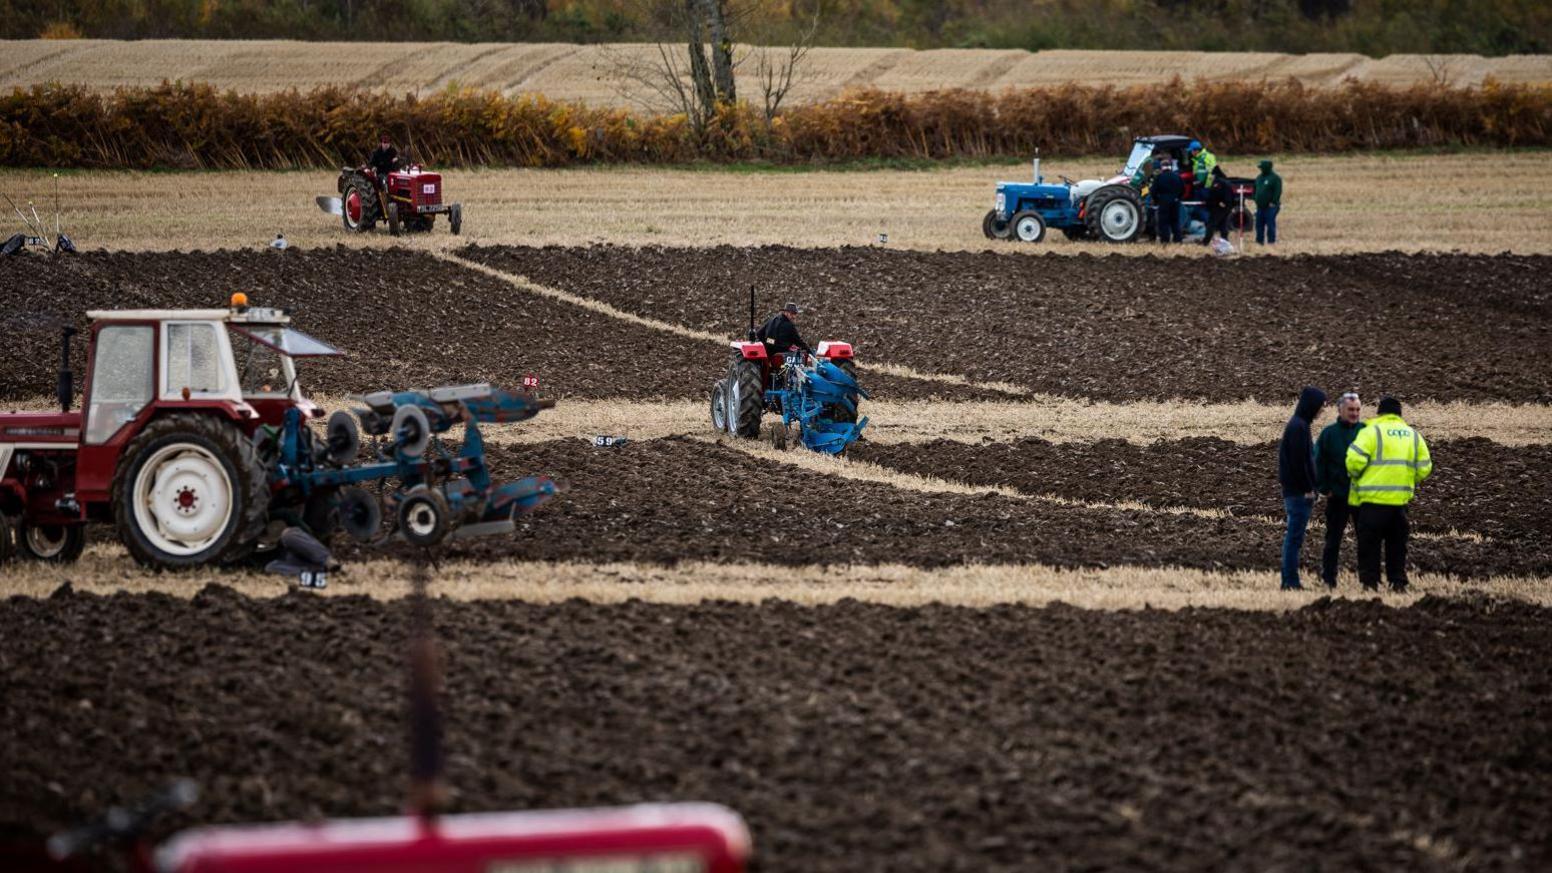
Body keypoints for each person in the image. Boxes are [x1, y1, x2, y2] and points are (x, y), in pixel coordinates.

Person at [1345, 396, 1432, 592]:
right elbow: (1425, 467)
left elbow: (1353, 461)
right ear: (1400, 415)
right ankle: (1397, 582)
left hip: (1372, 501)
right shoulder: (1413, 435)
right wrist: (1406, 478)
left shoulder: (1371, 431)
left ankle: (1370, 583)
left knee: (1369, 544)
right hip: (1399, 503)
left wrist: (1360, 476)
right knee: (1397, 545)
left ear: (1380, 413)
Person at [1278, 386, 1326, 590]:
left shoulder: (1299, 425)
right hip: (1298, 494)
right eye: (1320, 407)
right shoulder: (1298, 427)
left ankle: (1290, 581)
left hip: (1297, 492)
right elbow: (1299, 463)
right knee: (1294, 539)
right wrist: (1308, 488)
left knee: (1294, 538)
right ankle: (1290, 581)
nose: (1321, 411)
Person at [1314, 391, 1364, 588]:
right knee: (1333, 540)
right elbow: (1319, 463)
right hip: (1338, 497)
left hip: (1361, 497)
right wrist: (1325, 488)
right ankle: (1328, 579)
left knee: (1366, 541)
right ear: (1340, 410)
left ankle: (1366, 579)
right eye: (1351, 409)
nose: (1354, 413)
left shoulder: (1366, 431)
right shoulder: (1329, 434)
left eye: (1358, 409)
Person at [1150, 156, 1185, 244]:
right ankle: (1178, 239)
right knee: (1175, 221)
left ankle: (1165, 240)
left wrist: (1156, 200)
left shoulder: (1159, 177)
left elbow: (1153, 191)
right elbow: (1183, 189)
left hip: (1164, 202)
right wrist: (1178, 198)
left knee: (1164, 222)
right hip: (1175, 201)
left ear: (1162, 167)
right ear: (1171, 166)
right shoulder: (1177, 177)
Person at [1202, 167, 1233, 248]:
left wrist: (1215, 203)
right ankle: (1225, 240)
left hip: (1218, 207)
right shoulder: (1226, 182)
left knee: (1211, 224)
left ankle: (1206, 241)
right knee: (1223, 224)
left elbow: (1214, 195)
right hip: (1226, 207)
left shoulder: (1218, 183)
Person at [1254, 159, 1282, 245]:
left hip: (1271, 206)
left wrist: (1273, 201)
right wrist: (1255, 198)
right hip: (1260, 206)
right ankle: (1259, 241)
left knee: (1270, 224)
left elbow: (1278, 191)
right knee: (1258, 225)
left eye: (1262, 167)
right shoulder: (1259, 178)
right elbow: (1255, 189)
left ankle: (1271, 241)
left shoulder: (1275, 178)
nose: (1260, 169)